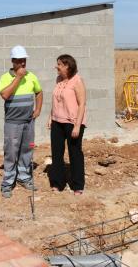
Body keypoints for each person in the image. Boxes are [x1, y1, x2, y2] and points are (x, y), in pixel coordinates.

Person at [0, 45, 43, 198]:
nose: (23, 64)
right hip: (12, 122)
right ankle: (8, 183)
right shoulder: (5, 77)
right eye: (19, 61)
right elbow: (5, 95)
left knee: (27, 150)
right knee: (11, 151)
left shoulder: (32, 76)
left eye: (24, 60)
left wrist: (37, 110)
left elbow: (38, 92)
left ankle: (24, 178)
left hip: (28, 122)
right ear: (13, 61)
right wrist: (18, 77)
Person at [47, 54, 87, 195]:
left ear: (67, 66)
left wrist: (77, 125)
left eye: (59, 64)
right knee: (56, 153)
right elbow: (56, 100)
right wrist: (50, 117)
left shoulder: (77, 81)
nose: (56, 67)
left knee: (75, 153)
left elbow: (82, 104)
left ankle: (78, 185)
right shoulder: (58, 79)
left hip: (73, 123)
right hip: (57, 121)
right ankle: (58, 183)